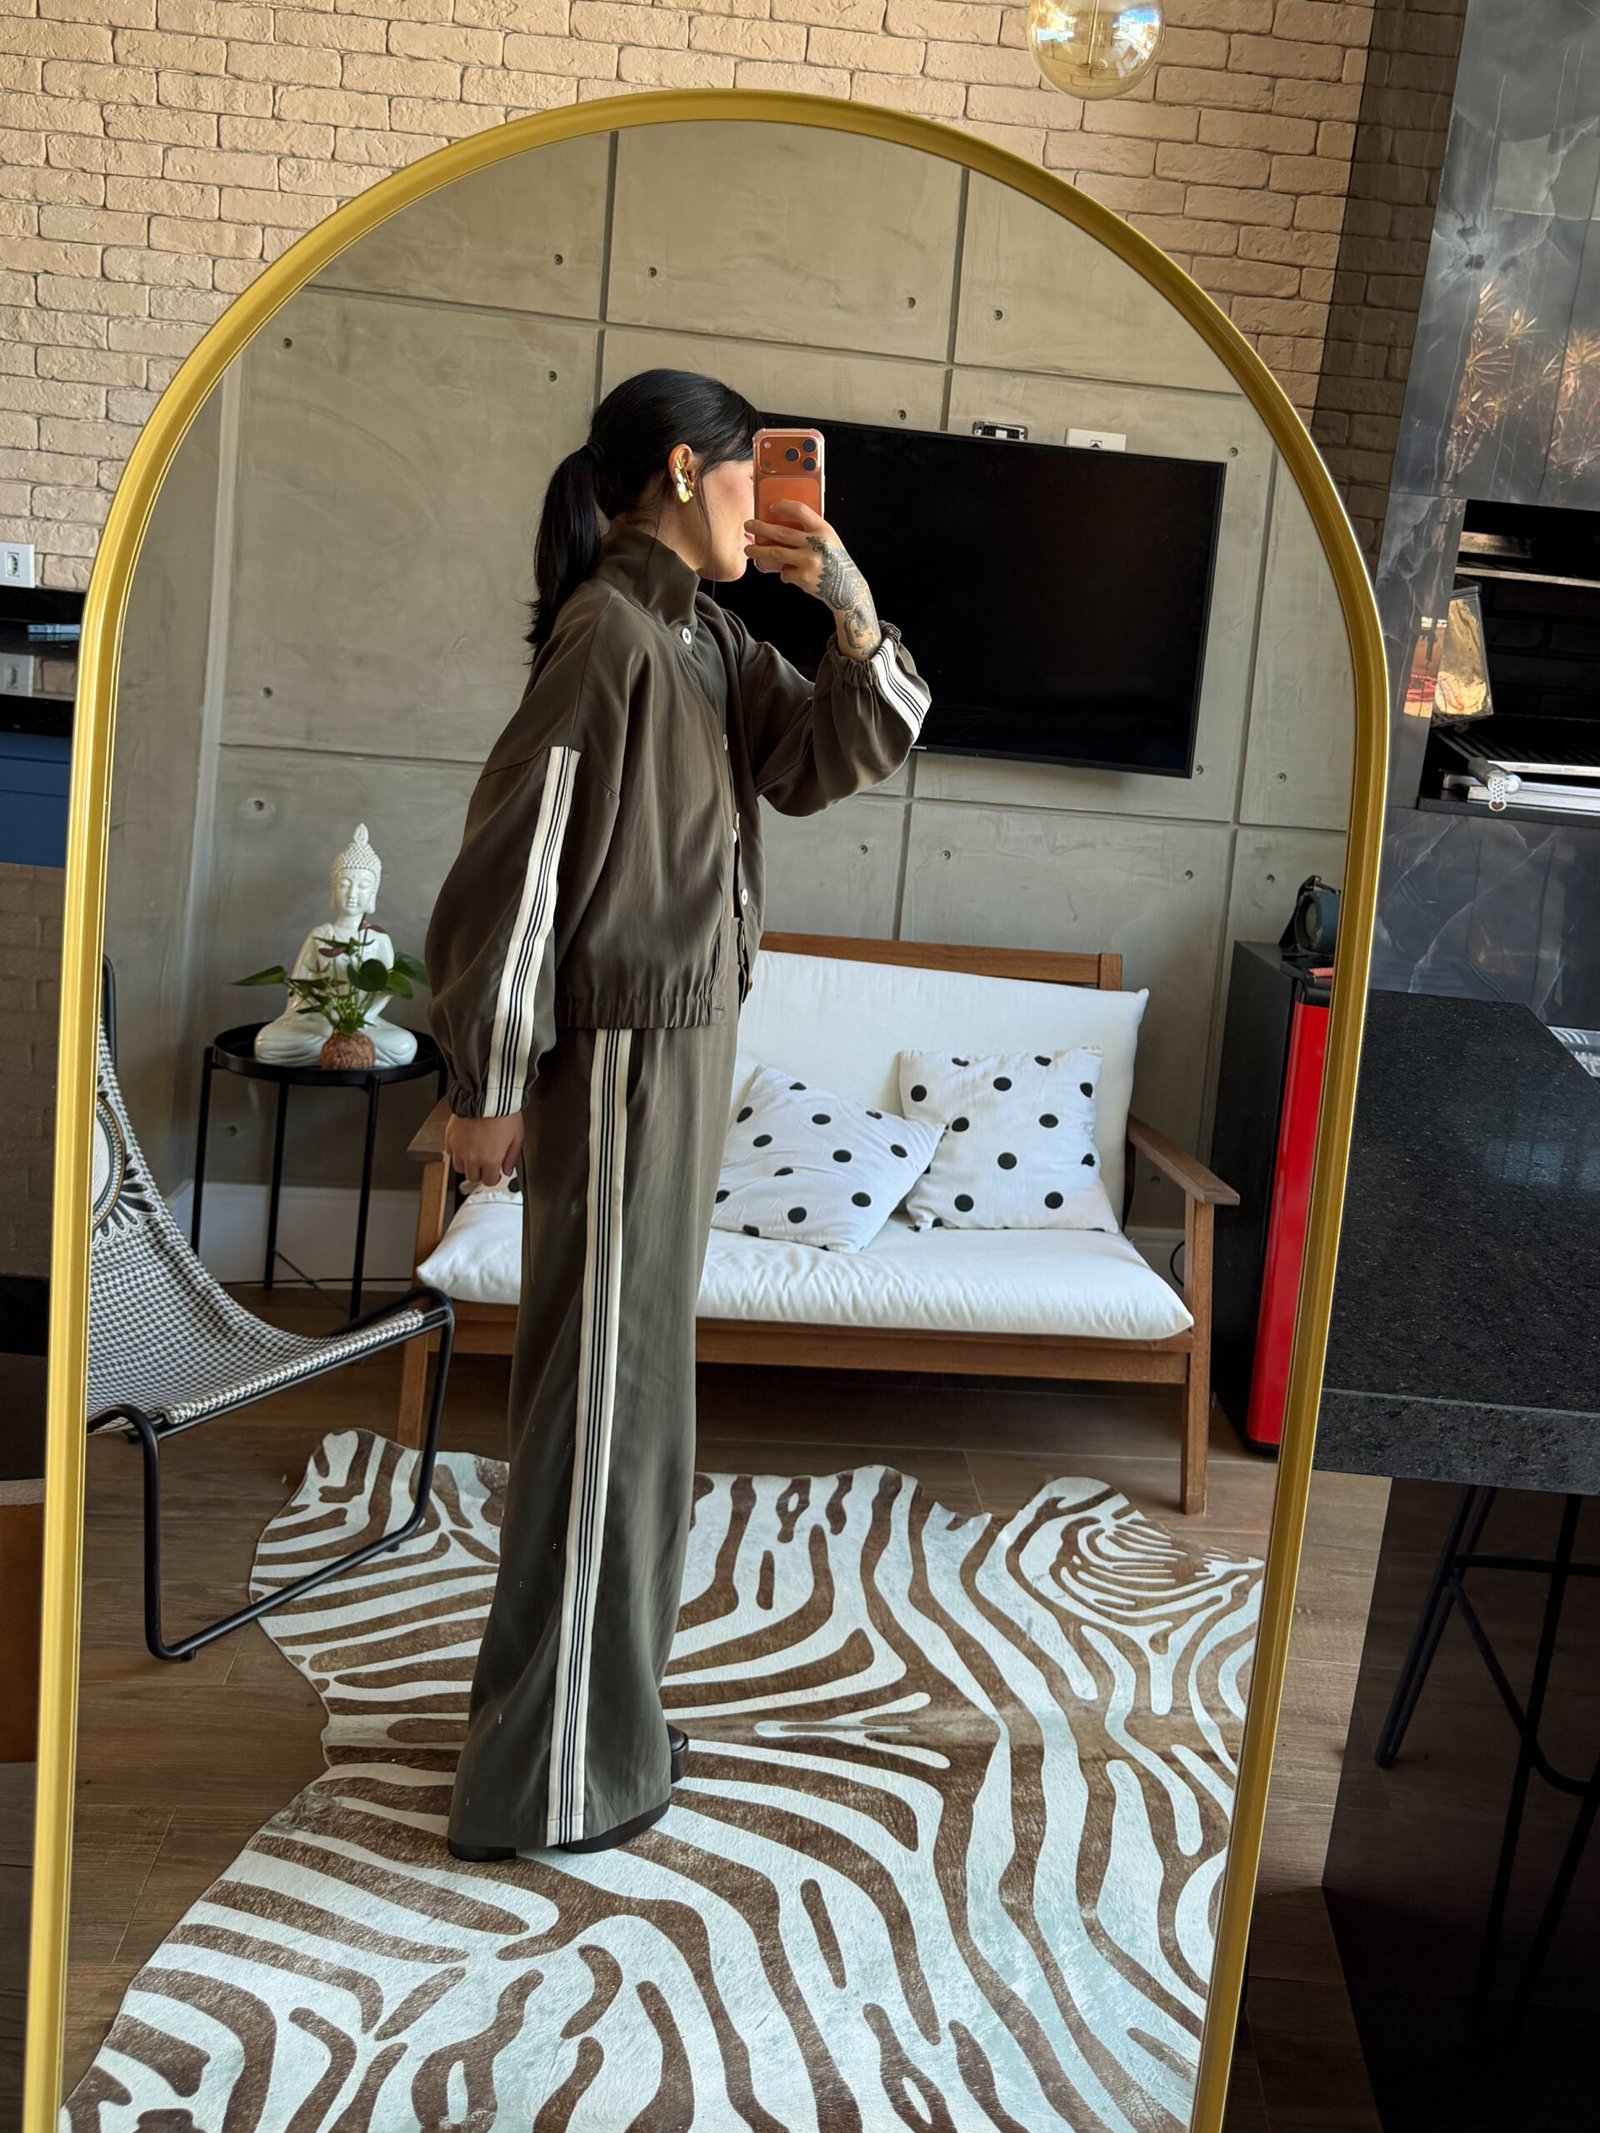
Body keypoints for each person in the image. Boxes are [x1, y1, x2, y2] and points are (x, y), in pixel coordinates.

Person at [424, 369, 931, 1859]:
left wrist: (849, 607)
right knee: (601, 1409)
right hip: (624, 1065)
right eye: (751, 473)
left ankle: (606, 1714)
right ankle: (552, 1774)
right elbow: (518, 865)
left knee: (641, 1410)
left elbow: (827, 759)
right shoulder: (611, 635)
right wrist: (486, 1084)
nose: (765, 503)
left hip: (688, 1053)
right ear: (685, 468)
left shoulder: (706, 638)